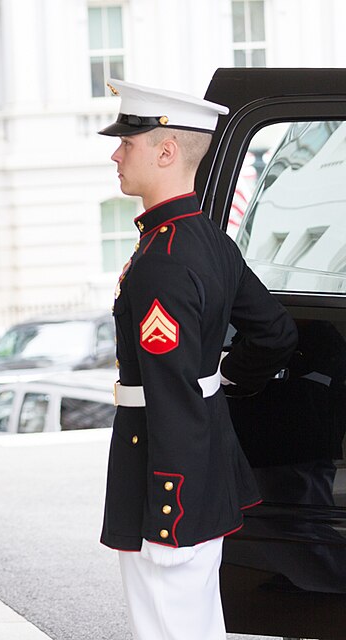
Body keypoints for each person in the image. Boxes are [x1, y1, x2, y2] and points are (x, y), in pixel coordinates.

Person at [97, 79, 298, 639]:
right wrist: (224, 376)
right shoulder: (207, 239)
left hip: (168, 482)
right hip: (203, 466)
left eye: (127, 143)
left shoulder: (163, 256)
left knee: (167, 627)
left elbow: (171, 392)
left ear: (165, 151)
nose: (115, 154)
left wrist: (169, 509)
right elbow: (274, 333)